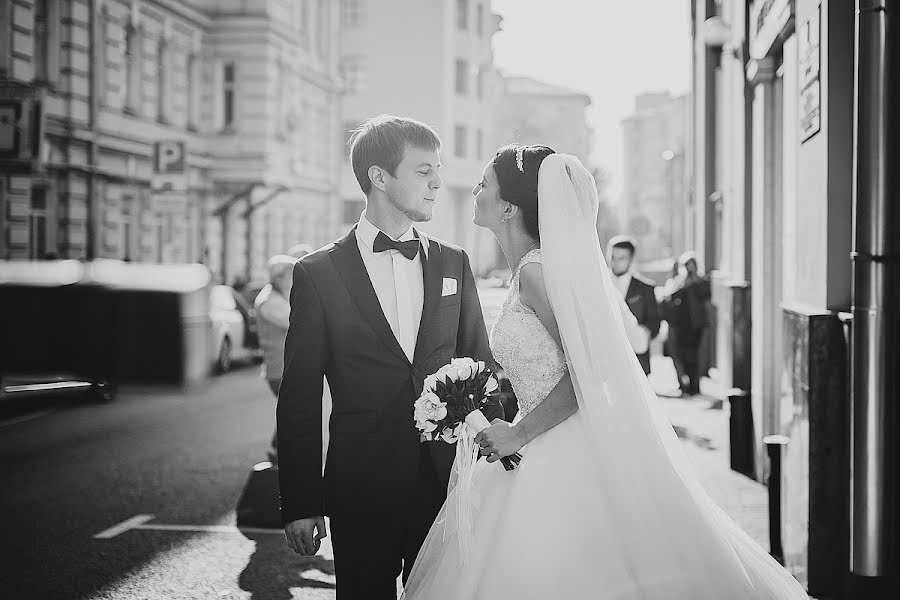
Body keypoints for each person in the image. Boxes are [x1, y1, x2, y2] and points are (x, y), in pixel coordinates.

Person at [401, 145, 808, 599]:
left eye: (484, 184)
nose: (475, 190)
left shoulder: (537, 274)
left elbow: (586, 375)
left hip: (553, 443)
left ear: (510, 206)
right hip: (540, 434)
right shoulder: (527, 272)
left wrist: (516, 435)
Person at [277, 114, 501, 600]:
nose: (438, 181)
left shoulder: (453, 263)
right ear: (379, 177)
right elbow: (298, 396)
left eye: (437, 169)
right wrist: (300, 501)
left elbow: (481, 365)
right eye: (423, 171)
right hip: (361, 485)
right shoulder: (317, 273)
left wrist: (494, 460)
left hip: (444, 485)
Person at [254, 254, 298, 463]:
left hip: (283, 368)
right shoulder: (270, 301)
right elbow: (298, 322)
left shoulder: (278, 297)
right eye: (292, 275)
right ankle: (278, 452)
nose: (296, 279)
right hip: (279, 370)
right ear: (280, 277)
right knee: (295, 409)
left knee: (295, 409)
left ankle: (279, 451)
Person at [607, 235, 661, 375]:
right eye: (612, 257)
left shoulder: (645, 288)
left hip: (637, 362)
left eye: (621, 258)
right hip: (607, 363)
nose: (615, 262)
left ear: (631, 259)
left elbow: (654, 324)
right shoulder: (599, 285)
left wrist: (641, 335)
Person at [662, 251, 711, 396]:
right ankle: (684, 384)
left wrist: (694, 282)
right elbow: (670, 298)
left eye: (692, 265)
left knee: (694, 356)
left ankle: (695, 385)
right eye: (687, 265)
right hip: (681, 325)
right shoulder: (677, 282)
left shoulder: (701, 282)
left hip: (696, 326)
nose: (690, 269)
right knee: (681, 355)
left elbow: (706, 295)